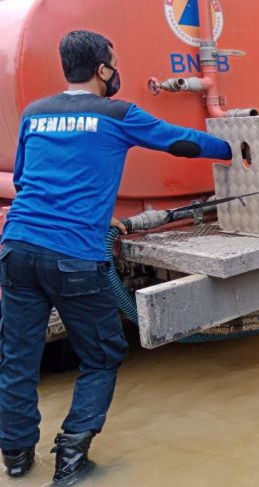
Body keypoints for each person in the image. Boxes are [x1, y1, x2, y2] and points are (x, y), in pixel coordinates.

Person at [0, 31, 232, 483]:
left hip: (17, 248)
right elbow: (179, 142)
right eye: (113, 61)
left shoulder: (34, 114)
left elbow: (24, 180)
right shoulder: (116, 114)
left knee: (17, 357)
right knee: (102, 355)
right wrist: (233, 148)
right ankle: (71, 455)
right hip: (75, 259)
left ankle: (16, 459)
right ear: (103, 69)